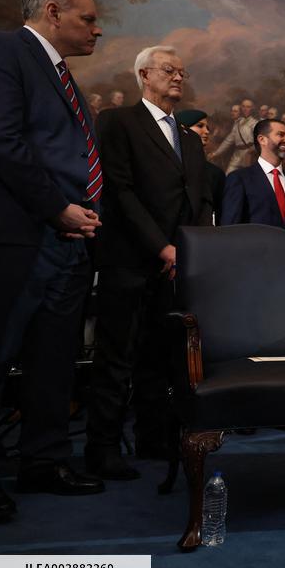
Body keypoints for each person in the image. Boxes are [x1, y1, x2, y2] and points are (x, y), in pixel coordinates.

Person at [0, 0, 106, 512]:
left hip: (68, 244)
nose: (97, 29)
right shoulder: (4, 52)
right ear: (54, 12)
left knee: (54, 360)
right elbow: (2, 141)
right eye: (88, 18)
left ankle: (44, 461)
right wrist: (55, 207)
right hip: (20, 237)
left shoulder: (65, 78)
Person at [89, 45, 213, 480]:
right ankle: (101, 448)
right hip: (130, 259)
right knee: (116, 357)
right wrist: (162, 247)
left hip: (176, 267)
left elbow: (198, 201)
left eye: (182, 71)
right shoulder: (118, 121)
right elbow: (120, 192)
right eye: (168, 70)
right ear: (144, 74)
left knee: (160, 359)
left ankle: (153, 437)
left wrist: (189, 251)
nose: (178, 77)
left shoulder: (190, 139)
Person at [220, 118, 285, 234]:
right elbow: (229, 229)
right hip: (253, 251)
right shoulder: (239, 179)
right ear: (262, 139)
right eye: (281, 135)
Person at [177, 109, 226, 225]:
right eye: (200, 126)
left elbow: (221, 213)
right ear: (183, 128)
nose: (207, 131)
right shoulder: (169, 166)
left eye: (208, 127)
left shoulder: (216, 173)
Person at [209, 97, 256, 173]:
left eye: (248, 107)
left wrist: (252, 150)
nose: (245, 109)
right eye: (243, 106)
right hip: (236, 156)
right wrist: (215, 153)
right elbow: (228, 140)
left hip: (248, 156)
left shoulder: (254, 123)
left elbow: (259, 141)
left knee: (248, 180)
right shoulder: (237, 123)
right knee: (228, 176)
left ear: (252, 108)